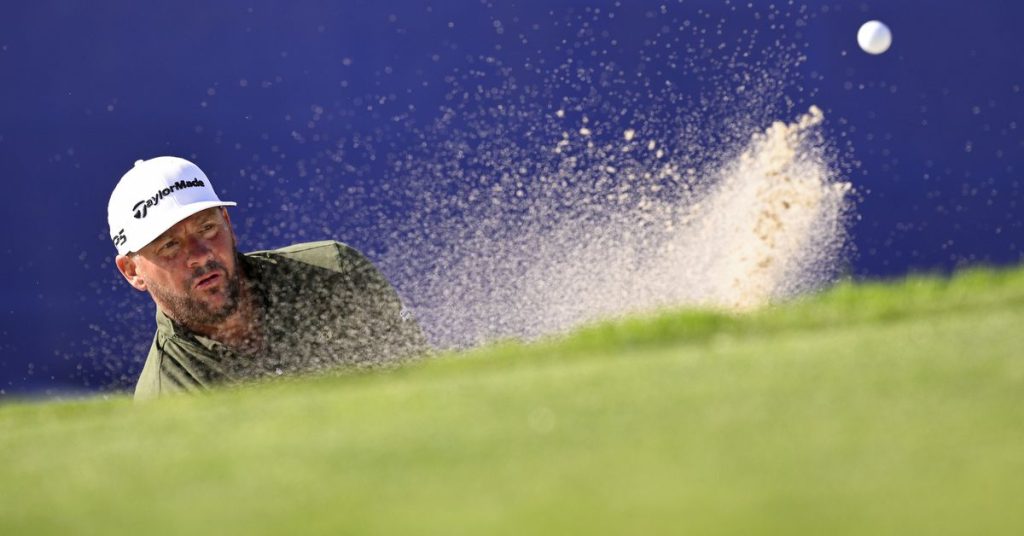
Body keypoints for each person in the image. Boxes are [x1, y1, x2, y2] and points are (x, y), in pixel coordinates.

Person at [108, 156, 427, 400]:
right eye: (170, 245)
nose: (200, 255)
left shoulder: (334, 272)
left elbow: (423, 387)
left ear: (228, 223)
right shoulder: (167, 396)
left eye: (207, 228)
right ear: (132, 271)